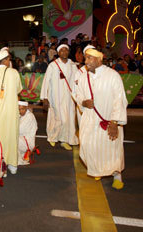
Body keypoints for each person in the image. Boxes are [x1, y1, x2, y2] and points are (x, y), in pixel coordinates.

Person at [74, 48, 127, 190]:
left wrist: (115, 122)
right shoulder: (83, 76)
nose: (86, 61)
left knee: (112, 150)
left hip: (109, 120)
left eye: (90, 58)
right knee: (87, 145)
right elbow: (77, 94)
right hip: (90, 119)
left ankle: (117, 176)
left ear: (99, 60)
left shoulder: (112, 76)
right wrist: (84, 103)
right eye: (85, 58)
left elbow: (119, 100)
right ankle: (98, 170)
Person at [40, 44, 79, 150]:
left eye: (66, 50)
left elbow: (77, 80)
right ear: (58, 52)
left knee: (69, 118)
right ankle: (53, 137)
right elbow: (46, 81)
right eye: (62, 50)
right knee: (58, 118)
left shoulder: (72, 65)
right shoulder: (53, 65)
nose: (64, 52)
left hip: (69, 97)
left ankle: (65, 140)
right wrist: (44, 97)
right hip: (55, 96)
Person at [18, 101, 38, 165]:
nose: (20, 111)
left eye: (22, 109)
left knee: (11, 140)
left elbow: (19, 130)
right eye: (19, 109)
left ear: (26, 108)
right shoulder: (19, 115)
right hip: (22, 139)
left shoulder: (30, 117)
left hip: (28, 143)